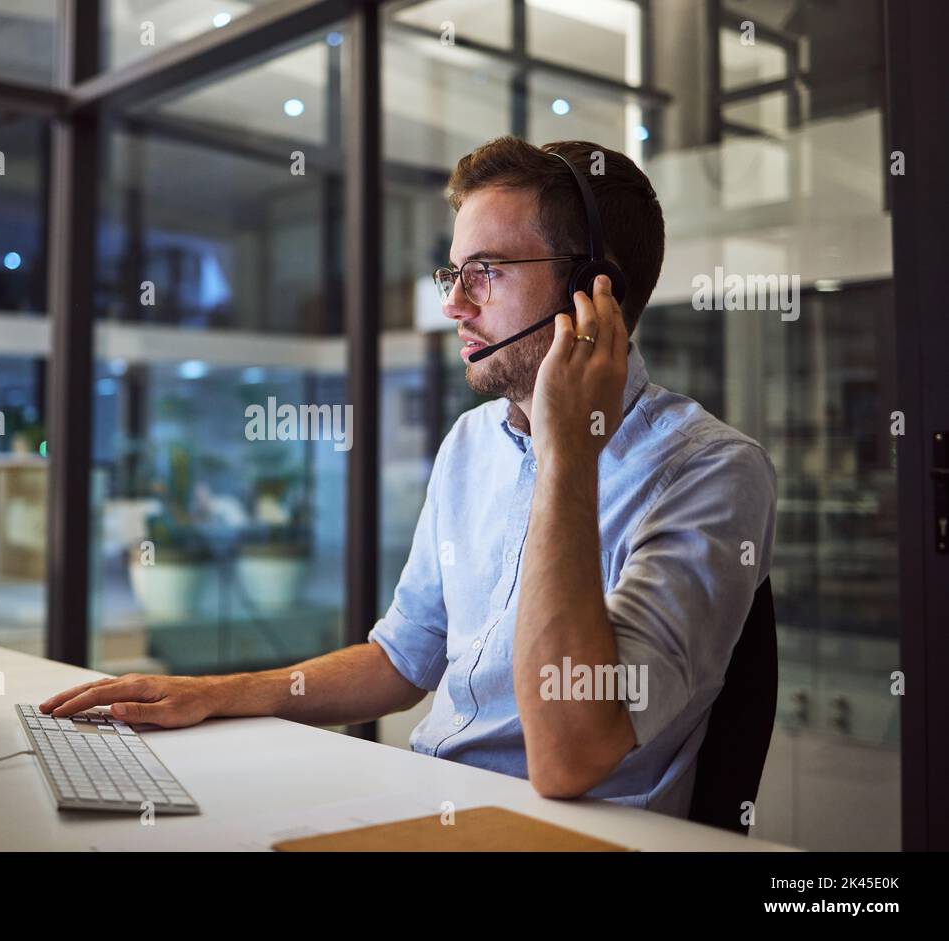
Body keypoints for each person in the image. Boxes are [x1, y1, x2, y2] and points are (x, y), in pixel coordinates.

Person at [40, 137, 776, 816]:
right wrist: (217, 694)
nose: (454, 303)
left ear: (594, 290)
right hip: (435, 803)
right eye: (452, 273)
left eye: (485, 271)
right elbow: (406, 655)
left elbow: (569, 754)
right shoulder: (470, 443)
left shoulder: (712, 472)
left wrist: (568, 452)